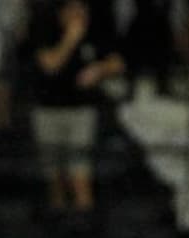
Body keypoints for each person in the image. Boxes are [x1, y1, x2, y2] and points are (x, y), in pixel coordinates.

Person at [29, 0, 124, 214]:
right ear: (62, 13)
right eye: (73, 11)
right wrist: (70, 39)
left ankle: (83, 229)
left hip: (81, 112)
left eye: (83, 11)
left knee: (80, 175)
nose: (79, 16)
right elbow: (50, 65)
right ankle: (58, 225)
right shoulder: (45, 30)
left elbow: (118, 62)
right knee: (54, 177)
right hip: (48, 110)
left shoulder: (96, 32)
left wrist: (99, 70)